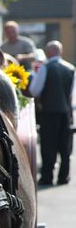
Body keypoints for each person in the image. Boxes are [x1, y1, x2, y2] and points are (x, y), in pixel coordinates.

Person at [28, 40, 75, 186]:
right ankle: (64, 177)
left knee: (48, 146)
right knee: (65, 147)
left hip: (49, 111)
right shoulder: (71, 68)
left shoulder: (45, 67)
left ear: (48, 52)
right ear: (60, 51)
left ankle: (47, 177)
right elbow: (73, 95)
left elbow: (34, 90)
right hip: (66, 113)